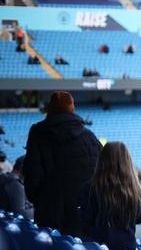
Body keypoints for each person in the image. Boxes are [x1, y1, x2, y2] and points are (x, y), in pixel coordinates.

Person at [24, 92, 101, 236]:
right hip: (83, 215)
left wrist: (40, 200)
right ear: (72, 109)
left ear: (50, 109)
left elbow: (32, 174)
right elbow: (101, 175)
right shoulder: (90, 137)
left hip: (49, 215)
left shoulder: (38, 134)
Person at [80, 142, 141, 250]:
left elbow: (85, 219)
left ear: (102, 161)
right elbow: (140, 217)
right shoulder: (135, 190)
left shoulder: (90, 187)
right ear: (128, 162)